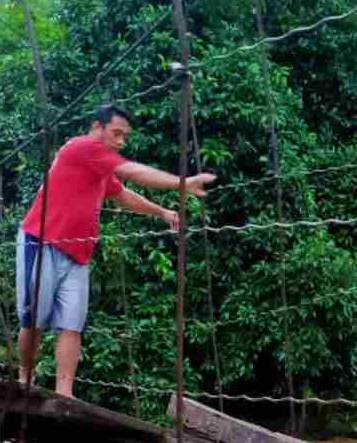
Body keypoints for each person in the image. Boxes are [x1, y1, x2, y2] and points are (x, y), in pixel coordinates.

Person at [17, 104, 214, 394]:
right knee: (34, 320)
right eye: (116, 133)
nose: (121, 141)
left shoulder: (98, 168)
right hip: (42, 242)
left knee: (72, 324)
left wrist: (161, 212)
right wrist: (182, 183)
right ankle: (24, 377)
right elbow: (132, 172)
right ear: (97, 127)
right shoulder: (82, 147)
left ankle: (64, 393)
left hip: (78, 255)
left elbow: (122, 195)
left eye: (125, 136)